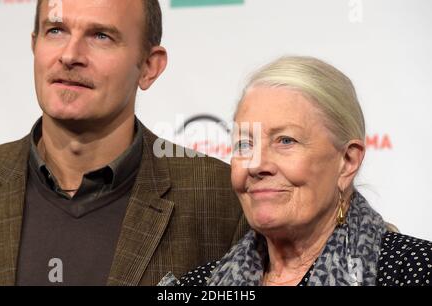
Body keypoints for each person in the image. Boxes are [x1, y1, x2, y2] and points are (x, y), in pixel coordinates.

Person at [0, 0, 247, 286]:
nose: (70, 55)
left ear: (149, 66)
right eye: (56, 31)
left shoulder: (221, 200)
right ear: (35, 45)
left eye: (101, 36)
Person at [173, 56, 432, 286]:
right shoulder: (198, 284)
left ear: (348, 160)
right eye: (244, 144)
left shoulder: (413, 271)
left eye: (285, 141)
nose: (256, 165)